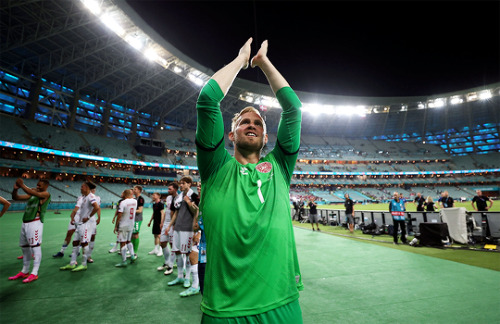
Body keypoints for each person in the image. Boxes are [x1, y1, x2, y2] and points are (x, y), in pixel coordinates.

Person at [195, 38, 303, 322]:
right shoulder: (216, 168)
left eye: (258, 123)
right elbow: (207, 99)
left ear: (266, 137)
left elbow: (293, 109)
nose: (252, 124)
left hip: (282, 303)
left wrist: (264, 63)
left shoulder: (279, 166)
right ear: (231, 135)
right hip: (225, 311)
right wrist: (242, 60)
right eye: (244, 122)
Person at [9, 178, 51, 283]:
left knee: (35, 247)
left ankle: (34, 273)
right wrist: (15, 189)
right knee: (25, 248)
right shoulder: (33, 193)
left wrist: (22, 185)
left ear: (46, 186)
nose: (37, 187)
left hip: (35, 223)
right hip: (25, 222)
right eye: (37, 185)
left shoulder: (46, 194)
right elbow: (16, 197)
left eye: (40, 185)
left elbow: (29, 191)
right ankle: (25, 271)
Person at [59, 181, 99, 272]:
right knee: (75, 242)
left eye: (82, 186)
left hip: (86, 225)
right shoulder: (83, 197)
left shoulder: (91, 196)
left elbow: (96, 207)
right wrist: (73, 216)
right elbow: (77, 208)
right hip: (80, 224)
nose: (80, 188)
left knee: (84, 243)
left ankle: (84, 264)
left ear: (87, 188)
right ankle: (72, 263)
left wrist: (88, 217)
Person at [166, 176, 197, 289]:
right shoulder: (178, 197)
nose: (181, 185)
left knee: (188, 254)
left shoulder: (194, 196)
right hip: (177, 228)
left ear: (189, 184)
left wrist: (189, 202)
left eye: (183, 183)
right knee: (178, 252)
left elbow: (196, 211)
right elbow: (176, 213)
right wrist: (170, 225)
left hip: (187, 229)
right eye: (180, 183)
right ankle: (180, 276)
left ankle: (187, 278)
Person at [157, 182, 178, 275]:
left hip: (173, 224)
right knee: (162, 242)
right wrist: (162, 222)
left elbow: (177, 213)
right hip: (166, 223)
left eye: (170, 189)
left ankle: (170, 266)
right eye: (168, 188)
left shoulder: (179, 198)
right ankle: (167, 262)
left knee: (173, 245)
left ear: (175, 189)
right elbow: (167, 210)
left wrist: (173, 224)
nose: (168, 190)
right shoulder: (168, 198)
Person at [114, 189, 138, 267]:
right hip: (131, 224)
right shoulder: (135, 201)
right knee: (128, 241)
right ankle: (132, 256)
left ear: (124, 194)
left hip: (123, 224)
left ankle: (124, 261)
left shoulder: (123, 203)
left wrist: (116, 225)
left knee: (122, 243)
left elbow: (119, 215)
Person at [87, 187, 101, 263]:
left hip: (92, 221)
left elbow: (98, 208)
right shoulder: (83, 197)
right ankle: (76, 254)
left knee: (92, 236)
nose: (93, 190)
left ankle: (89, 256)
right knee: (82, 238)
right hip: (84, 220)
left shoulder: (97, 198)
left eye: (94, 189)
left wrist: (99, 217)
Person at [147, 192, 164, 257]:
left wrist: (161, 222)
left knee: (159, 236)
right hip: (155, 221)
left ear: (158, 196)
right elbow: (154, 213)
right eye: (152, 195)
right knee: (155, 235)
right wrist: (150, 221)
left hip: (159, 221)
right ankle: (156, 249)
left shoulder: (161, 204)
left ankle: (161, 250)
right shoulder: (154, 204)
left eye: (154, 195)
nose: (153, 196)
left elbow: (162, 213)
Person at [131, 185, 145, 258]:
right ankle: (131, 250)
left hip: (137, 219)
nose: (133, 190)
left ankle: (135, 252)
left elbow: (140, 210)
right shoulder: (134, 198)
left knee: (135, 234)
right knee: (132, 235)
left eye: (135, 189)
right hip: (133, 219)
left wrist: (130, 211)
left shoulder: (140, 199)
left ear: (139, 190)